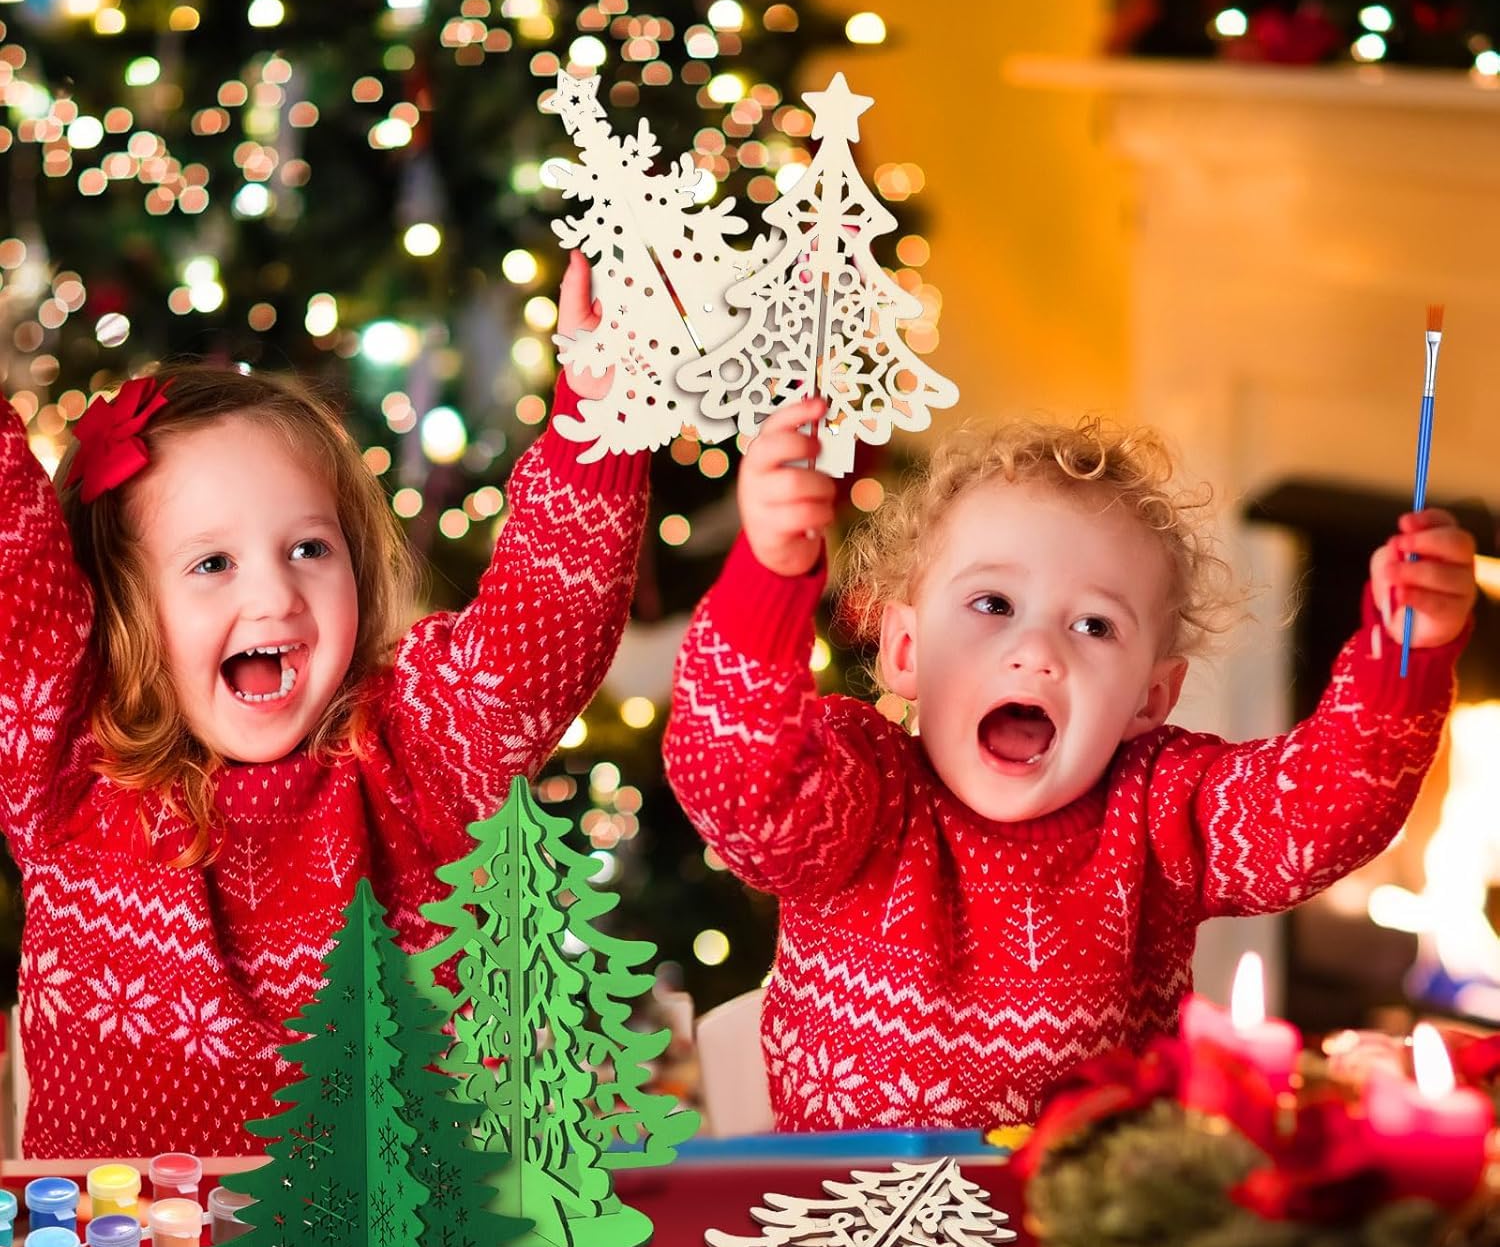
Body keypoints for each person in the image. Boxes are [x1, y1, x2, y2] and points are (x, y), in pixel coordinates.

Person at [664, 396, 1475, 1132]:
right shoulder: (861, 788)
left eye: (1094, 626)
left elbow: (1320, 813)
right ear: (907, 649)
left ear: (1150, 698)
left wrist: (1408, 652)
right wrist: (768, 574)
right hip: (848, 1239)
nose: (1038, 653)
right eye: (993, 605)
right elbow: (737, 785)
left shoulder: (1160, 809)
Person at [1, 254, 647, 1157]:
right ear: (119, 605)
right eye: (212, 564)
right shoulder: (69, 767)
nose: (275, 597)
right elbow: (13, 570)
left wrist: (598, 422)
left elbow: (546, 623)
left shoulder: (419, 748)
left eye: (309, 547)